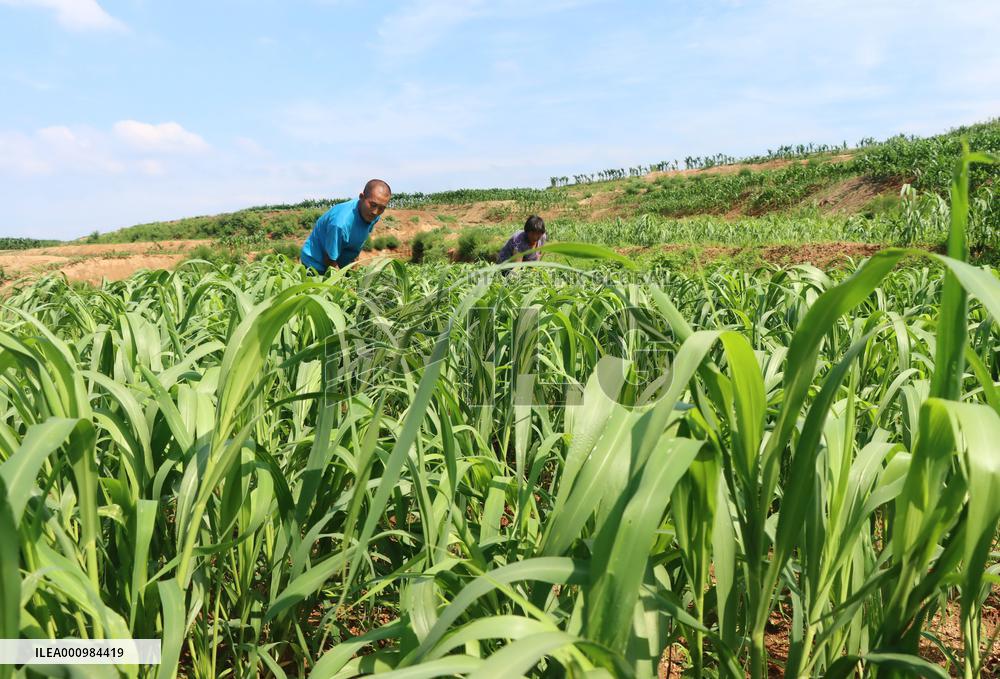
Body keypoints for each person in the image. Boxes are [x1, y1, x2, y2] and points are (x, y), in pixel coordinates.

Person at [300, 179, 391, 274]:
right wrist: (344, 283)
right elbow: (329, 259)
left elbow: (358, 241)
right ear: (361, 197)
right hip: (316, 264)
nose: (375, 212)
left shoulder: (372, 215)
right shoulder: (340, 224)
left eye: (381, 208)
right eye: (372, 205)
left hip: (340, 261)